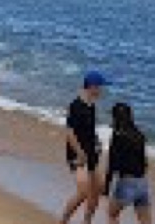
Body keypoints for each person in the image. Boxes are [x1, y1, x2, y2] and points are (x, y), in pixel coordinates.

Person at [61, 70, 111, 224]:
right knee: (83, 192)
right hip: (77, 155)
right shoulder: (75, 106)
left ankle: (87, 221)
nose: (102, 90)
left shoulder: (91, 106)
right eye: (100, 87)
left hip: (91, 153)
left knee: (97, 190)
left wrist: (97, 142)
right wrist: (80, 153)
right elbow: (69, 133)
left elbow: (89, 130)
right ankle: (63, 221)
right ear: (92, 87)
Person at [105, 102, 153, 224]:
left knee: (112, 214)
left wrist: (106, 187)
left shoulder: (118, 136)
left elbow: (111, 164)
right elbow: (145, 162)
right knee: (145, 221)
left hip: (126, 182)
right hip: (142, 183)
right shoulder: (139, 135)